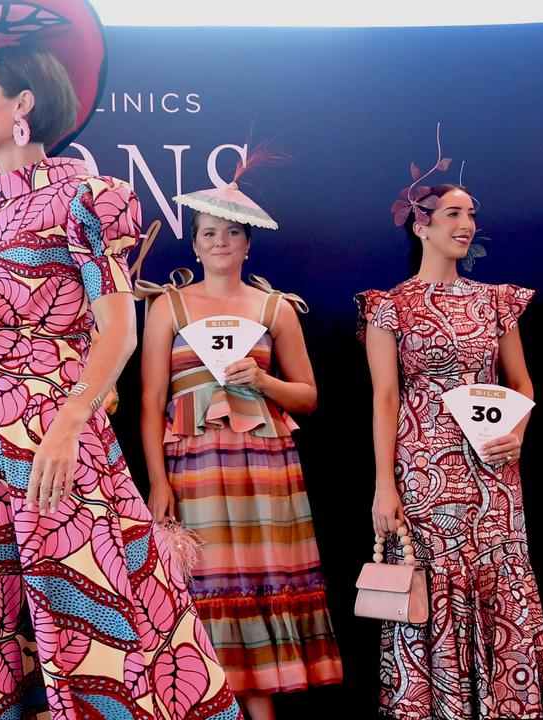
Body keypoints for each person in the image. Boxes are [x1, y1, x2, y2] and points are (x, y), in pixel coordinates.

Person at [0, 1, 241, 717]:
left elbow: (118, 330)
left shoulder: (90, 196)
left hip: (55, 434)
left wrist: (72, 418)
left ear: (23, 102)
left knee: (83, 618)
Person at [354, 136, 543, 719]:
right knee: (429, 586)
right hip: (422, 472)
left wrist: (519, 430)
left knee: (501, 579)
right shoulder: (389, 306)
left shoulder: (497, 301)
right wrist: (384, 486)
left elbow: (523, 384)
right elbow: (385, 397)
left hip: (495, 468)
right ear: (420, 225)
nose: (467, 223)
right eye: (453, 213)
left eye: (471, 214)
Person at [139, 172, 342, 719]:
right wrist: (158, 482)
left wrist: (265, 382)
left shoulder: (274, 309)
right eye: (208, 233)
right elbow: (151, 402)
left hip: (265, 470)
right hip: (194, 468)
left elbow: (309, 397)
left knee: (260, 581)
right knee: (203, 591)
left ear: (248, 242)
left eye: (230, 233)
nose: (218, 243)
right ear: (195, 241)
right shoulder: (168, 309)